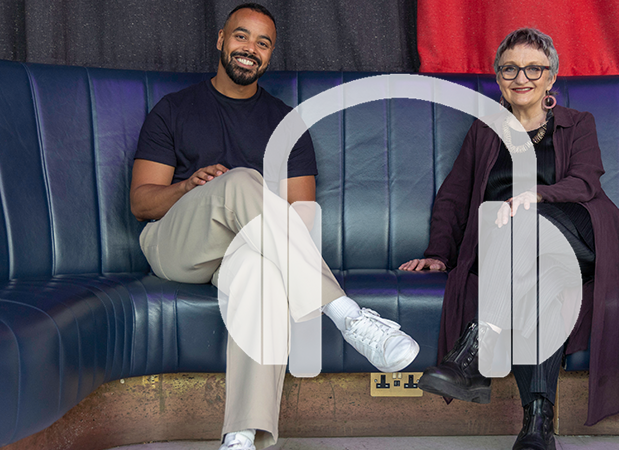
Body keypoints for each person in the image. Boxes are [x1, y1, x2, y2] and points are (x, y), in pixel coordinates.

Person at [130, 4, 419, 450]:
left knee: (264, 276)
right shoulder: (174, 109)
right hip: (177, 244)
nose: (250, 48)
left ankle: (241, 436)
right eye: (241, 36)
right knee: (240, 180)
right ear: (221, 39)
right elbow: (141, 203)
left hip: (248, 249)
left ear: (270, 55)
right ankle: (345, 314)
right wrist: (189, 186)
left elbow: (300, 217)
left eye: (262, 43)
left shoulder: (287, 124)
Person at [400, 28, 619, 450]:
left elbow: (585, 182)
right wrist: (438, 253)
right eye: (510, 68)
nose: (521, 78)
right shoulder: (485, 132)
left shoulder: (577, 123)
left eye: (534, 68)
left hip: (578, 234)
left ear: (551, 77)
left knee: (528, 224)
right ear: (498, 77)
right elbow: (454, 196)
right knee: (543, 283)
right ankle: (537, 427)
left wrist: (534, 196)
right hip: (514, 253)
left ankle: (474, 349)